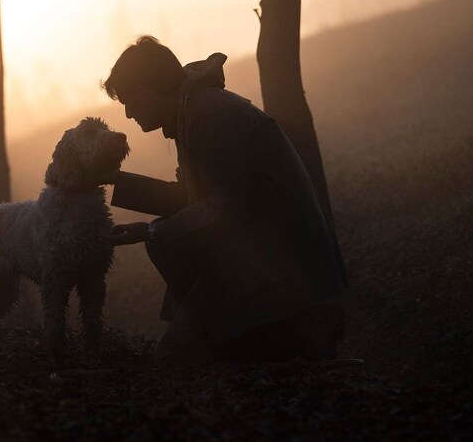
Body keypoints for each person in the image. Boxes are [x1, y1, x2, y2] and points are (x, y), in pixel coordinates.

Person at [104, 36, 346, 367]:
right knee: (178, 360)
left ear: (145, 91)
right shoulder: (194, 110)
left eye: (129, 102)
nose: (129, 114)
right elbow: (195, 199)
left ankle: (292, 345)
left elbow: (223, 210)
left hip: (283, 282)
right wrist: (116, 182)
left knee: (177, 362)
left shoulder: (209, 116)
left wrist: (151, 233)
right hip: (262, 268)